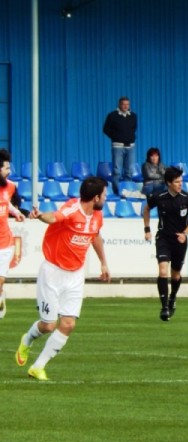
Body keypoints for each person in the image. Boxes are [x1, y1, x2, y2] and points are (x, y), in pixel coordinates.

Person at [15, 176, 111, 381]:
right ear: (95, 197)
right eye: (104, 195)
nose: (106, 198)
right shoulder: (72, 209)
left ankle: (38, 367)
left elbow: (95, 236)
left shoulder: (97, 216)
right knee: (49, 325)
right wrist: (40, 215)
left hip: (76, 275)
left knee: (68, 324)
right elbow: (54, 217)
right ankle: (27, 339)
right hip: (53, 272)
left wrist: (103, 262)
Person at [143, 166, 188, 321]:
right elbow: (146, 209)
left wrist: (185, 233)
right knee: (163, 271)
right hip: (163, 238)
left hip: (180, 241)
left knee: (175, 275)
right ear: (169, 182)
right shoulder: (159, 196)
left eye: (181, 181)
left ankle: (173, 297)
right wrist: (147, 229)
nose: (180, 184)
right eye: (177, 181)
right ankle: (164, 308)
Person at [0, 149, 26, 319]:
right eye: (6, 168)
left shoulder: (9, 186)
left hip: (5, 242)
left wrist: (16, 212)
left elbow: (7, 202)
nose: (9, 171)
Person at [103, 96, 138, 195]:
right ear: (119, 104)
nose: (126, 106)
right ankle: (116, 192)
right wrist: (115, 136)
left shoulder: (133, 116)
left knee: (129, 171)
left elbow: (134, 128)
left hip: (130, 146)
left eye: (127, 104)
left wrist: (130, 137)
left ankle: (127, 192)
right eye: (123, 104)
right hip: (118, 146)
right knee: (117, 170)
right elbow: (105, 129)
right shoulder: (112, 115)